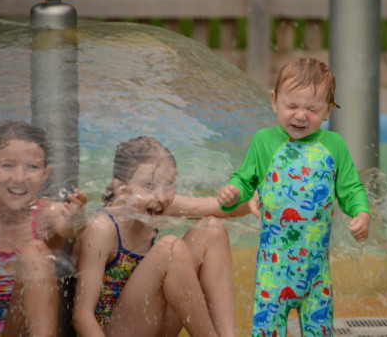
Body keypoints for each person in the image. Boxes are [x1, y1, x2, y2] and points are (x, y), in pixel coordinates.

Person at [217, 56, 371, 336]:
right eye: (291, 106)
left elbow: (351, 188)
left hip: (316, 276)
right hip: (272, 274)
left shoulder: (334, 145)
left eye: (312, 109)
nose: (300, 115)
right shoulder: (264, 141)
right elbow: (244, 179)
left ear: (328, 111)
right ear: (275, 101)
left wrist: (361, 212)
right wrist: (234, 192)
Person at [72, 136, 258, 337]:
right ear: (121, 190)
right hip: (114, 331)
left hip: (152, 323)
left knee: (212, 229)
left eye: (169, 183)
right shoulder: (103, 228)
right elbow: (81, 316)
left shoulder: (157, 206)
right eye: (149, 186)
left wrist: (264, 198)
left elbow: (221, 208)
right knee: (170, 248)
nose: (161, 196)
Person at [0, 120, 87, 336]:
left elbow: (68, 228)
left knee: (35, 251)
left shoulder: (46, 214)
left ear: (45, 174)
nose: (19, 178)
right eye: (8, 165)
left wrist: (75, 221)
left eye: (32, 167)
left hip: (21, 330)